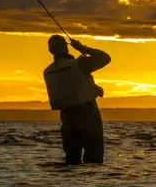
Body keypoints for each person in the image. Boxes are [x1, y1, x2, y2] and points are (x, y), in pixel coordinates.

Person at [45, 34, 111, 165]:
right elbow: (105, 58)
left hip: (67, 118)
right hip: (88, 114)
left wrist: (92, 87)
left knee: (71, 161)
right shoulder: (79, 64)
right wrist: (83, 48)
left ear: (51, 51)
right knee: (94, 161)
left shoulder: (47, 71)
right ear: (66, 47)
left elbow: (70, 85)